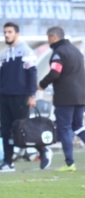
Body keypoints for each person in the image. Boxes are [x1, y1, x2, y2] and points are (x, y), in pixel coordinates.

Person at [0, 22, 52, 172]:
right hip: (5, 97)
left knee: (23, 129)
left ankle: (44, 151)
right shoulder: (4, 54)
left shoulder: (26, 51)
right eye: (5, 32)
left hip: (21, 97)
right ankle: (7, 163)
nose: (6, 35)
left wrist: (32, 95)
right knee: (6, 130)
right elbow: (2, 78)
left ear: (17, 34)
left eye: (10, 32)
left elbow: (32, 75)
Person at [38, 26, 85, 172]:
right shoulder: (76, 51)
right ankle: (69, 162)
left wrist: (41, 84)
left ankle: (69, 163)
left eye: (48, 38)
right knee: (78, 126)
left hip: (65, 98)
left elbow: (55, 73)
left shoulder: (59, 52)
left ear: (53, 37)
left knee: (64, 129)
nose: (48, 41)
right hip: (81, 96)